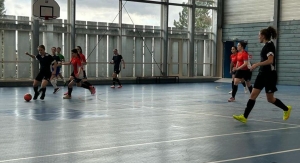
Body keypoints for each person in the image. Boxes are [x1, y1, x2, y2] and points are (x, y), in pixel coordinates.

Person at [233, 26, 292, 123]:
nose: (258, 37)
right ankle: (244, 117)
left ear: (263, 36)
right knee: (252, 95)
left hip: (270, 76)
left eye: (259, 35)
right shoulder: (265, 46)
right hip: (262, 74)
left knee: (270, 99)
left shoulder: (269, 46)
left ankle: (286, 109)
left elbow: (270, 60)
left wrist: (256, 64)